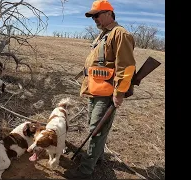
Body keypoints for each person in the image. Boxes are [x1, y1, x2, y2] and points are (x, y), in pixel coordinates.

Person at [64, 0, 136, 179]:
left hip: (107, 94)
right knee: (94, 128)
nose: (94, 19)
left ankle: (85, 170)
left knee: (96, 131)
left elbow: (126, 67)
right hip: (95, 90)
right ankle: (97, 158)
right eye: (92, 16)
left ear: (109, 13)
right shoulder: (103, 35)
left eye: (96, 15)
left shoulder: (120, 34)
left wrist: (119, 94)